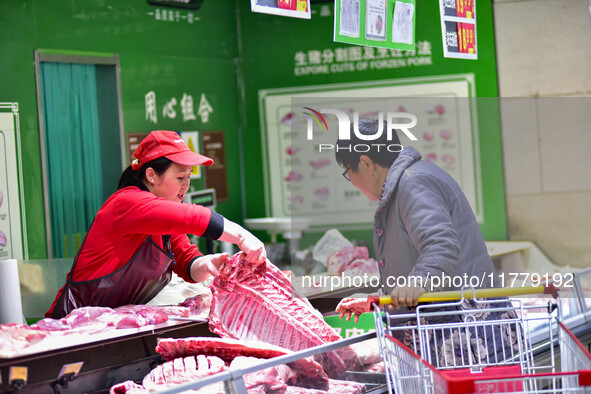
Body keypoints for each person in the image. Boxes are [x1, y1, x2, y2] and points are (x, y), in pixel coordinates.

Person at [333, 119, 518, 366]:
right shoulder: (405, 184)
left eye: (348, 173)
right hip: (457, 328)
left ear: (365, 163)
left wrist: (418, 281)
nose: (352, 182)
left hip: (466, 333)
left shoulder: (412, 183)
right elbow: (413, 260)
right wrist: (379, 299)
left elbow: (439, 245)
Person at [46, 130, 266, 318]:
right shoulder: (126, 203)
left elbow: (188, 264)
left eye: (189, 177)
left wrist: (209, 264)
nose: (186, 186)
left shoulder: (164, 219)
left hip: (112, 326)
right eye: (180, 178)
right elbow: (193, 218)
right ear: (151, 175)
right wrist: (243, 237)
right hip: (72, 326)